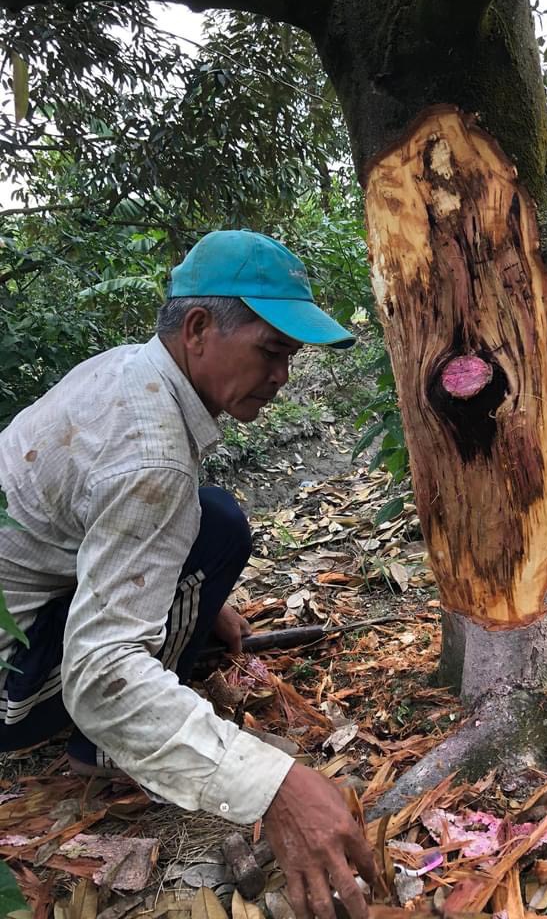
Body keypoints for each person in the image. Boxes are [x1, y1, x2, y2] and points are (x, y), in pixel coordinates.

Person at [0, 230, 376, 919]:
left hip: (23, 619)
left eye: (290, 357)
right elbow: (102, 672)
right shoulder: (151, 454)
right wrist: (273, 786)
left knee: (214, 523)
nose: (283, 376)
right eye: (271, 350)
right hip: (8, 687)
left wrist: (195, 600)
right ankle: (98, 754)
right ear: (199, 328)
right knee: (218, 524)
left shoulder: (128, 373)